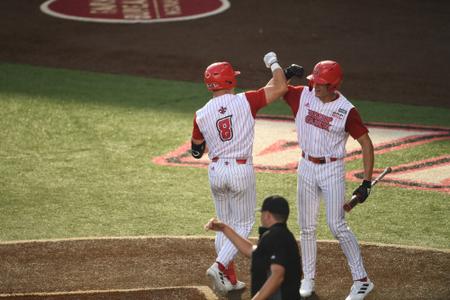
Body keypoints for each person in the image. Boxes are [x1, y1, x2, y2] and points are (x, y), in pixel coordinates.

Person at [191, 52, 288, 295]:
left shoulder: (201, 114)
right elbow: (280, 87)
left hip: (216, 171)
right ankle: (219, 265)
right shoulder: (246, 100)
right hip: (239, 170)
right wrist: (275, 64)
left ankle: (229, 279)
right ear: (229, 81)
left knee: (224, 224)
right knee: (243, 223)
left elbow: (195, 149)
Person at [282, 60, 375, 300]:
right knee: (307, 227)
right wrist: (285, 75)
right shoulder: (303, 95)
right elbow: (274, 89)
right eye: (315, 81)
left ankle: (362, 281)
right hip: (305, 167)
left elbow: (365, 143)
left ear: (334, 85)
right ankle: (308, 278)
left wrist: (366, 182)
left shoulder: (346, 110)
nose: (315, 86)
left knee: (337, 225)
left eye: (321, 83)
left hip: (331, 169)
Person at [204, 195, 302, 300]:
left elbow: (277, 276)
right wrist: (224, 228)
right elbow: (251, 250)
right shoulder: (281, 235)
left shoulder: (276, 237)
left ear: (267, 215)